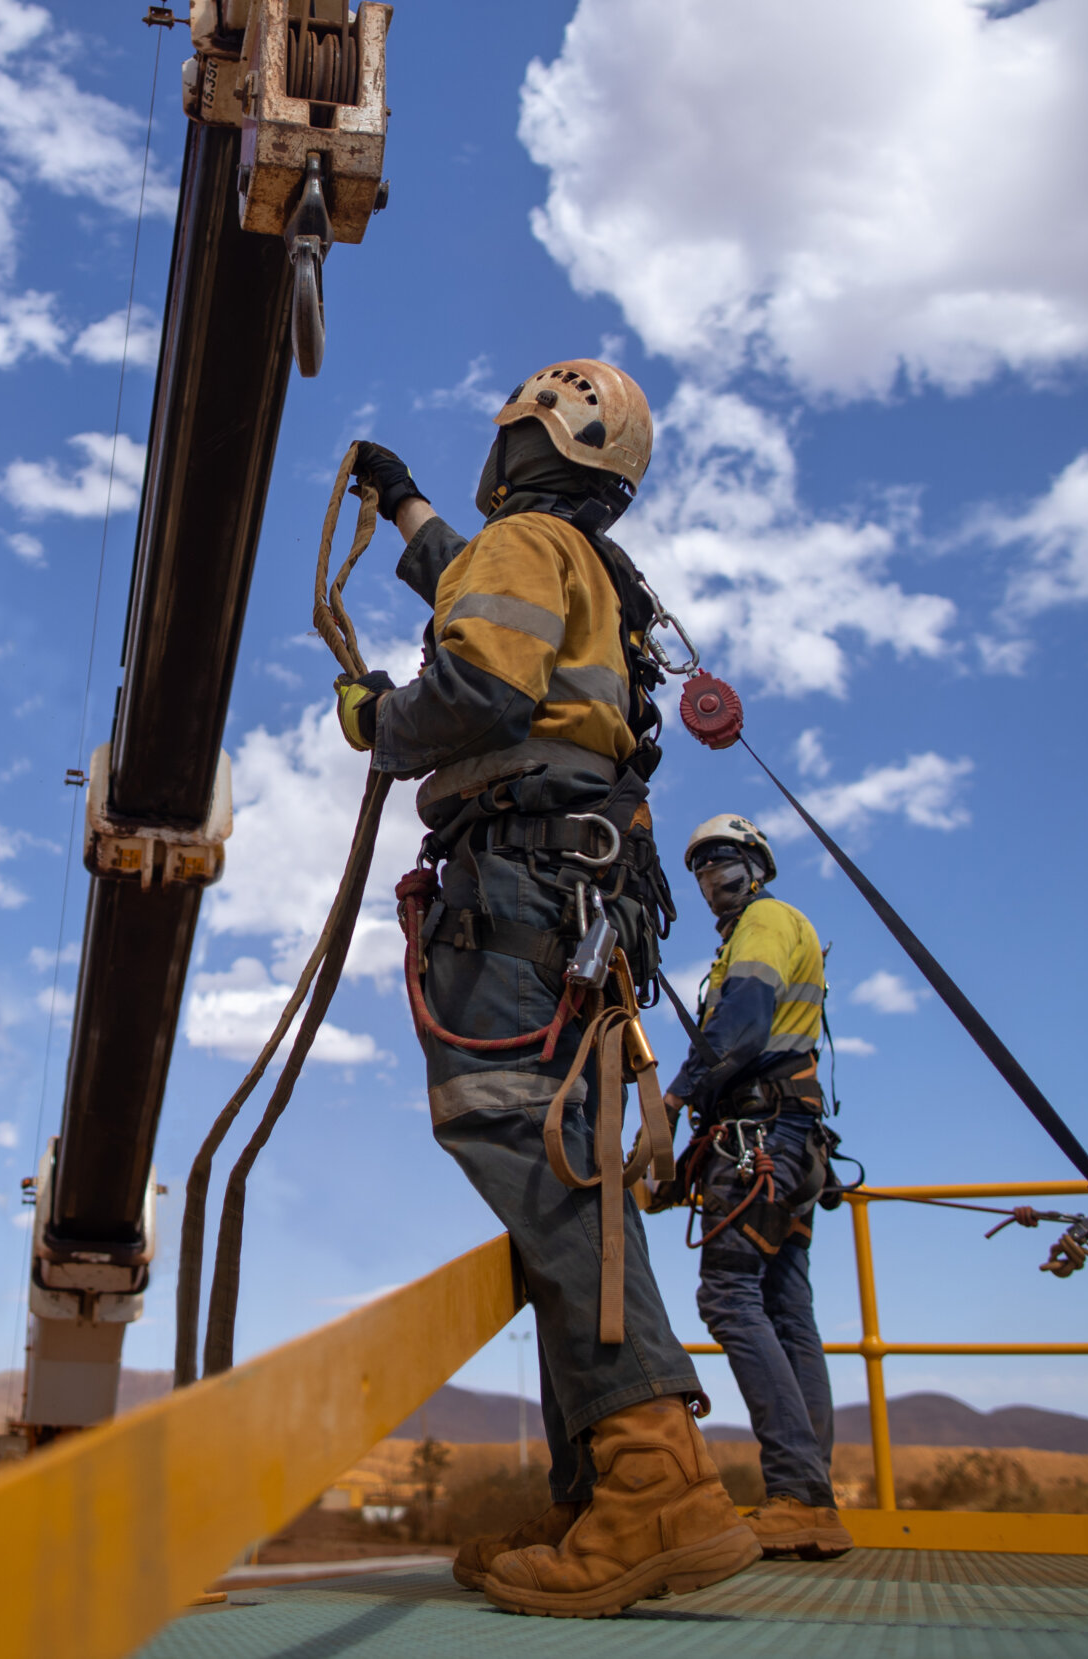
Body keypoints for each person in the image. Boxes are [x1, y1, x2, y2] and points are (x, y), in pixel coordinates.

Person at [339, 359, 759, 1620]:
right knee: (569, 1167)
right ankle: (602, 1497)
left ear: (528, 437)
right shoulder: (579, 570)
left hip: (518, 891)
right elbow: (473, 590)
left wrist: (372, 714)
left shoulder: (524, 544)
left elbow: (476, 682)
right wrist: (405, 509)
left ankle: (654, 1485)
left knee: (509, 1126)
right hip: (581, 896)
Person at [662, 813, 853, 1559]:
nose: (712, 874)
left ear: (757, 863)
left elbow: (739, 1027)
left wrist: (674, 1098)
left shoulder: (765, 923)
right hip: (793, 1139)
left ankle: (799, 1492)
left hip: (760, 1137)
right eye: (701, 865)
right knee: (784, 1305)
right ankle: (812, 1498)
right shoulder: (766, 929)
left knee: (729, 1295)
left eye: (723, 858)